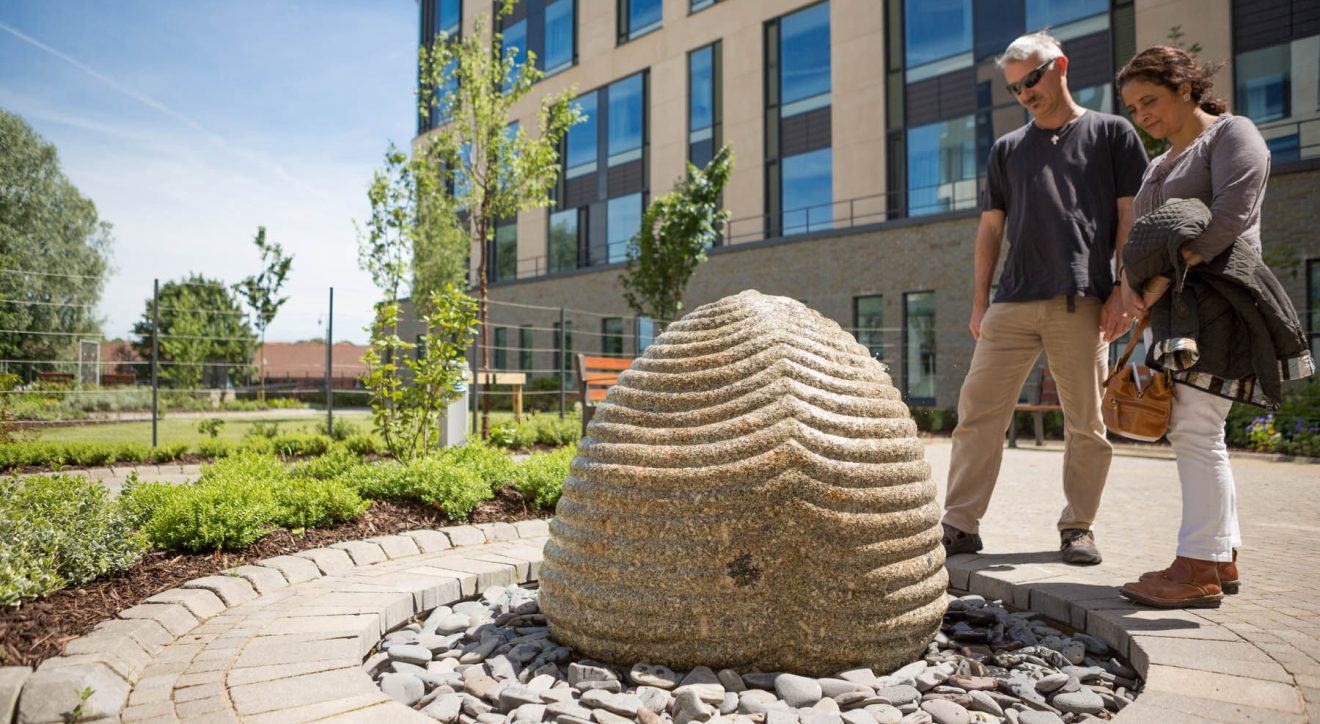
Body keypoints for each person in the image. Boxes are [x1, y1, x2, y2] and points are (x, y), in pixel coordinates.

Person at [1114, 46, 1314, 608]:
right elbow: (1140, 236)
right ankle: (1220, 558)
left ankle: (1197, 566)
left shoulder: (1233, 135)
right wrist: (1127, 282)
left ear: (1184, 87)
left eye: (1150, 100)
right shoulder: (1160, 165)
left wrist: (1155, 283)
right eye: (1133, 107)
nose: (1143, 115)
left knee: (1196, 432)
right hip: (1178, 309)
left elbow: (1232, 215)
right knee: (1203, 433)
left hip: (1221, 303)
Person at [941, 32, 1148, 565]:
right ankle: (960, 525)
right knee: (979, 413)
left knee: (1085, 422)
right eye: (1014, 89)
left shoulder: (1113, 134)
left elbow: (1130, 217)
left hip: (1082, 297)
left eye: (1031, 80)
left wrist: (1124, 288)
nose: (1025, 94)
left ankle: (1077, 527)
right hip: (1012, 302)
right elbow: (990, 230)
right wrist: (979, 302)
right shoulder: (1006, 149)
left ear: (1060, 66)